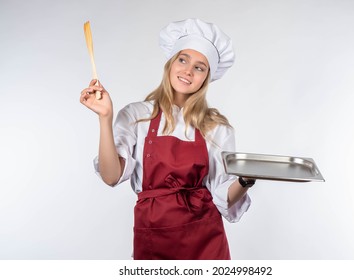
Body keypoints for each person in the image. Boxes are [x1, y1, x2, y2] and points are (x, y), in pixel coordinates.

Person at [80, 18, 255, 260]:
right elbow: (111, 176)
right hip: (154, 237)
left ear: (206, 77)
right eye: (183, 60)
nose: (188, 71)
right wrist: (105, 118)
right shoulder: (136, 116)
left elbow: (223, 195)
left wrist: (246, 180)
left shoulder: (216, 128)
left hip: (206, 242)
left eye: (200, 67)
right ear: (171, 63)